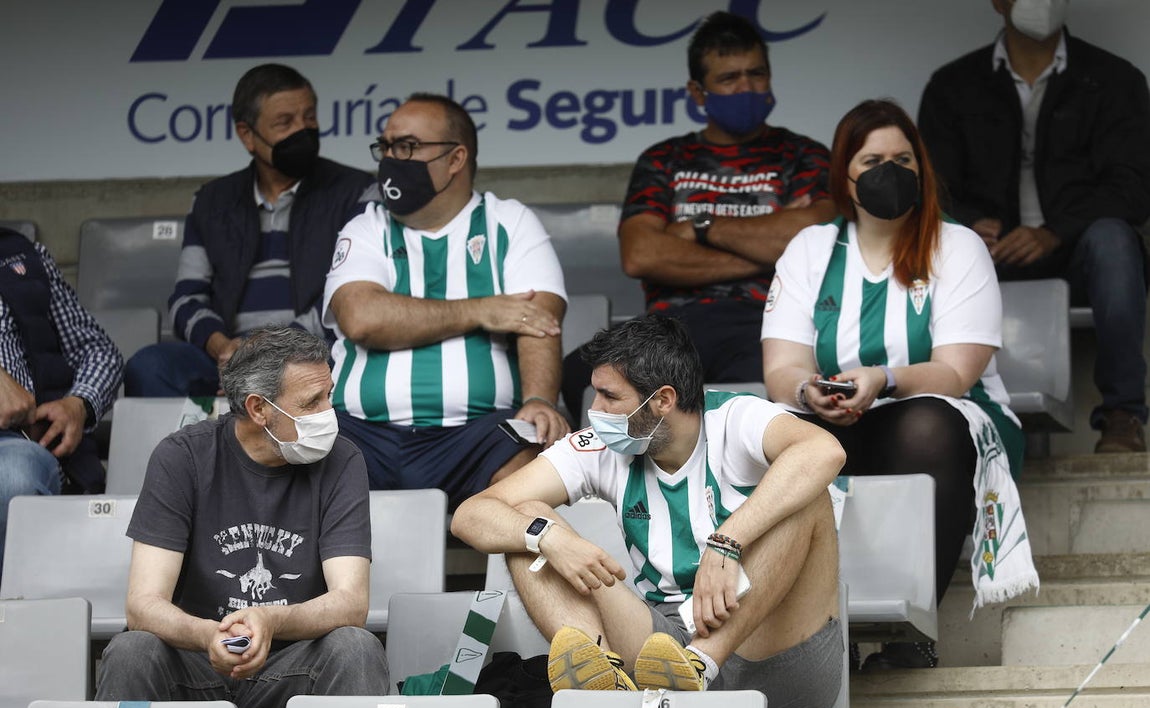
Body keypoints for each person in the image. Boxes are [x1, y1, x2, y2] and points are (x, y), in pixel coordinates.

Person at [761, 99, 1038, 670]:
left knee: (926, 424)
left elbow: (956, 374)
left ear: (922, 166)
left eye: (903, 158)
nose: (890, 171)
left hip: (952, 421)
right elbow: (781, 369)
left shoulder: (956, 245)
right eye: (872, 160)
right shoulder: (810, 250)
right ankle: (791, 637)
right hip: (844, 421)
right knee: (767, 429)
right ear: (844, 175)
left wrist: (884, 379)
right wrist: (807, 393)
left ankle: (913, 631)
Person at [453, 315, 845, 708]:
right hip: (662, 652)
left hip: (773, 655)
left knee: (809, 495)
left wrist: (727, 542)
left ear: (662, 400)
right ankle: (603, 678)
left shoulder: (736, 418)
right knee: (523, 520)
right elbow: (472, 515)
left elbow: (824, 452)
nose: (595, 410)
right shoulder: (601, 447)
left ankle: (702, 663)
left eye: (609, 397)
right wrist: (547, 537)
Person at [96, 326, 388, 708]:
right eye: (311, 402)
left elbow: (351, 602)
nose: (327, 413)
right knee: (131, 652)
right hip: (196, 663)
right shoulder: (182, 457)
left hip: (293, 666)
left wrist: (271, 620)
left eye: (328, 395)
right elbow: (143, 606)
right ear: (258, 409)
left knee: (357, 647)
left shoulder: (342, 460)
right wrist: (208, 636)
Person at [560, 11, 835, 416]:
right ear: (698, 91)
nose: (747, 86)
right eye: (729, 78)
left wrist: (699, 228)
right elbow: (641, 255)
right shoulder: (664, 159)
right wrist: (771, 250)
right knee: (581, 372)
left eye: (756, 74)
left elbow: (818, 236)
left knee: (782, 396)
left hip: (766, 323)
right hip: (670, 327)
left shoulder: (804, 156)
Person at [918, 0, 1150, 453]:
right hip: (988, 257)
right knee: (939, 243)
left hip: (1077, 255)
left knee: (1115, 241)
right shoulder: (954, 85)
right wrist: (968, 225)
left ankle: (1123, 416)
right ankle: (938, 414)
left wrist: (1055, 231)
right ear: (998, 2)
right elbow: (931, 187)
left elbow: (1133, 188)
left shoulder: (1114, 78)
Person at [323, 93, 569, 511]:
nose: (390, 159)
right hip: (361, 434)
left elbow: (538, 321)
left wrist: (540, 401)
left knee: (531, 467)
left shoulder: (509, 222)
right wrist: (480, 309)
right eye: (386, 147)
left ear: (456, 159)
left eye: (407, 147)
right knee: (299, 459)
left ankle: (517, 580)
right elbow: (361, 318)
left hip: (474, 436)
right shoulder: (366, 227)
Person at [124, 63, 376, 397]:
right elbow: (186, 298)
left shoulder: (358, 191)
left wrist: (270, 354)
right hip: (229, 357)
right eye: (285, 122)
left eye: (310, 117)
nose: (303, 130)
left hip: (317, 353)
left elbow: (348, 296)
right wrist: (223, 348)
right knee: (150, 367)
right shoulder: (210, 202)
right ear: (247, 135)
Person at [0, 227, 123, 581]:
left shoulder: (22, 256)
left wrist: (79, 403)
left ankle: (20, 622)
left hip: (25, 445)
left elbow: (98, 350)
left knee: (16, 473)